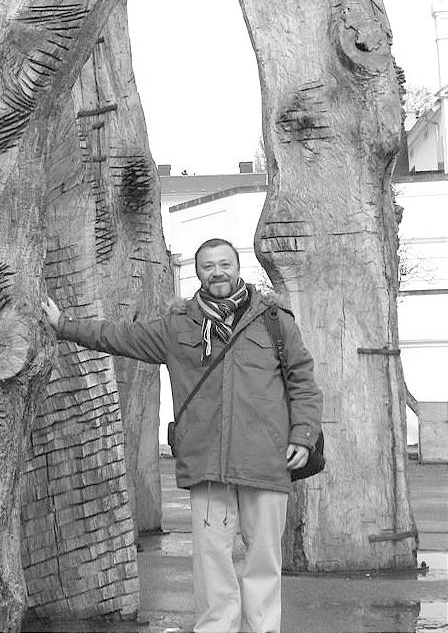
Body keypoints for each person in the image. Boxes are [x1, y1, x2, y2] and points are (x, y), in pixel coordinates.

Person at [41, 237, 322, 633]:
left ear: (237, 267)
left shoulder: (276, 321)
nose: (217, 272)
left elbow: (303, 382)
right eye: (208, 266)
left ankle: (264, 629)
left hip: (266, 458)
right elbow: (120, 336)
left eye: (224, 264)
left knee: (264, 559)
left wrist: (303, 436)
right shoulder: (177, 327)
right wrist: (64, 326)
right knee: (211, 561)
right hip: (207, 461)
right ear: (198, 272)